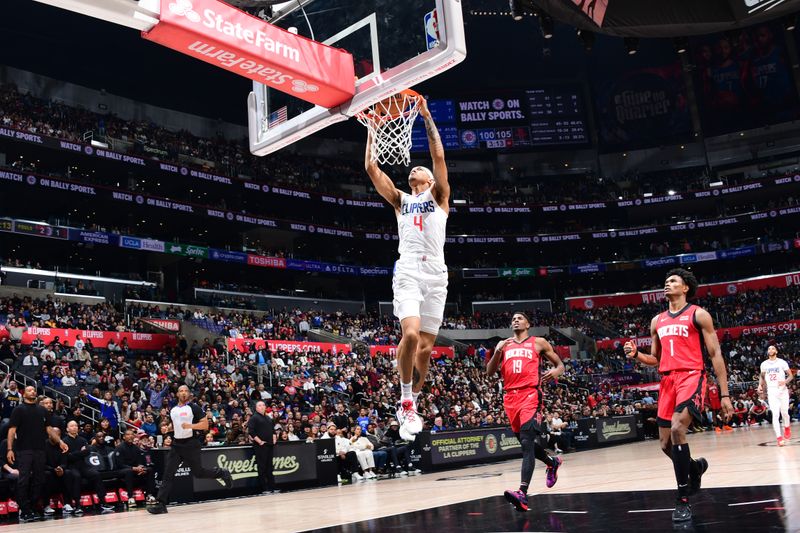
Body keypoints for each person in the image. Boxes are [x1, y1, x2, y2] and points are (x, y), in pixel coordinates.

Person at [364, 97, 451, 441]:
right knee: (411, 336)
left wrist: (427, 116)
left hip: (438, 275)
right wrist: (372, 129)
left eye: (421, 169)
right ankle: (405, 400)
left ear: (429, 180)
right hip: (410, 271)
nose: (415, 169)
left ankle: (413, 400)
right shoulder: (402, 200)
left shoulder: (440, 196)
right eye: (412, 170)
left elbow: (438, 155)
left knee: (427, 349)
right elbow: (372, 169)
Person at [625, 268, 734, 523]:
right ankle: (694, 467)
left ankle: (682, 499)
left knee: (677, 429)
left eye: (673, 281)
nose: (667, 284)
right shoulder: (657, 321)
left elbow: (715, 354)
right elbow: (656, 359)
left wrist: (725, 394)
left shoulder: (699, 315)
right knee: (665, 445)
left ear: (685, 288)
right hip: (667, 381)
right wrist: (636, 355)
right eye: (665, 281)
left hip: (691, 376)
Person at [485, 312, 565, 513]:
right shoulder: (504, 345)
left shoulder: (538, 342)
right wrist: (496, 352)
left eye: (519, 318)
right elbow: (489, 372)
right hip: (510, 398)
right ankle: (552, 462)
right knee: (524, 442)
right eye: (513, 318)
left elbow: (560, 365)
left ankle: (522, 492)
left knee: (527, 443)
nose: (515, 320)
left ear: (528, 323)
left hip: (530, 394)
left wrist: (555, 372)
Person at [147, 385, 232, 514]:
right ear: (177, 394)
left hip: (191, 444)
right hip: (176, 445)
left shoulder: (194, 408)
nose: (183, 393)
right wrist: (167, 429)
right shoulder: (173, 409)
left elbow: (205, 425)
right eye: (181, 391)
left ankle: (222, 473)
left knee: (198, 473)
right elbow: (176, 426)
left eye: (186, 391)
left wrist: (190, 426)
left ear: (189, 394)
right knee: (168, 474)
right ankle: (161, 504)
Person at [6, 386, 68, 522]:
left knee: (40, 479)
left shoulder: (42, 410)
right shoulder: (19, 410)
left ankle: (33, 506)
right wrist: (10, 449)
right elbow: (12, 430)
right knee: (24, 480)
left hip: (40, 449)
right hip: (24, 450)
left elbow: (49, 429)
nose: (33, 391)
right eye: (29, 390)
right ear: (24, 394)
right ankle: (25, 510)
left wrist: (60, 442)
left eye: (34, 390)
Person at [758, 345, 793, 446]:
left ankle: (787, 427)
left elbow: (790, 376)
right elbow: (762, 376)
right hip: (772, 391)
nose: (770, 350)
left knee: (785, 412)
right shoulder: (764, 364)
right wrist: (760, 385)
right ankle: (779, 437)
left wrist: (785, 382)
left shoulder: (782, 362)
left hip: (782, 391)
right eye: (769, 349)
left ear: (776, 351)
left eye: (773, 348)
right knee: (776, 414)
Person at [247, 401, 277, 493]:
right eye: (260, 405)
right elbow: (251, 431)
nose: (262, 406)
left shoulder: (268, 418)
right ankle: (264, 488)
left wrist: (274, 438)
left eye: (263, 405)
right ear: (256, 408)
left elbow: (273, 430)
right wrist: (259, 441)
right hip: (261, 446)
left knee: (270, 467)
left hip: (270, 445)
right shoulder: (254, 418)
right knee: (262, 467)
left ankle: (272, 487)